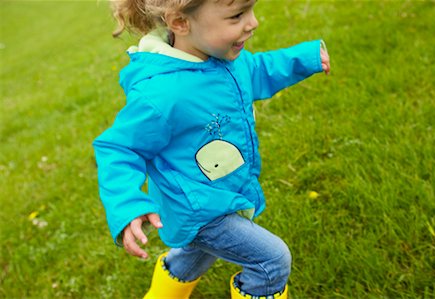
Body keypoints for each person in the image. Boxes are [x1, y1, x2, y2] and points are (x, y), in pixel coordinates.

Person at [93, 0, 330, 298]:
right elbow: (119, 148)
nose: (253, 22)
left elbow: (258, 71)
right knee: (271, 260)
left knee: (195, 255)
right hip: (198, 207)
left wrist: (304, 58)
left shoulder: (225, 60)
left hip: (218, 193)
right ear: (180, 23)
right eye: (237, 15)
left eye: (251, 9)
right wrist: (127, 205)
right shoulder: (162, 93)